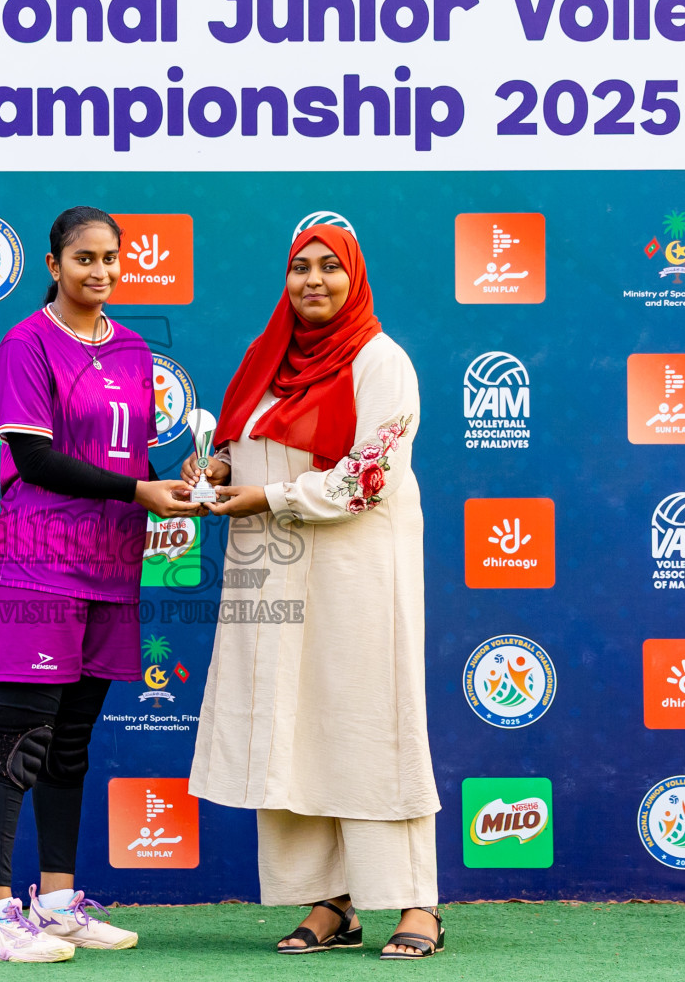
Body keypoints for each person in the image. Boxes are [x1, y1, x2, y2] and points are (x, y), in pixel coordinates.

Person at [185, 222, 443, 959]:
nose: (314, 281)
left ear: (353, 276)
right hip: (275, 567)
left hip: (357, 568)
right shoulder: (267, 357)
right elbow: (243, 444)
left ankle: (416, 904)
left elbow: (370, 476)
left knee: (371, 721)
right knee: (292, 727)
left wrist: (268, 497)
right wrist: (218, 472)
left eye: (331, 267)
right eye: (301, 267)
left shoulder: (380, 359)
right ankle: (331, 902)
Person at [0, 206, 202, 963]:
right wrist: (138, 492)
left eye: (109, 258)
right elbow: (35, 458)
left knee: (70, 743)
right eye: (83, 258)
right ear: (53, 264)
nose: (99, 271)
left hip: (112, 566)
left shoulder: (133, 350)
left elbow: (127, 461)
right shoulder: (25, 343)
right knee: (22, 739)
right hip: (40, 564)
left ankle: (59, 903)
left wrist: (174, 487)